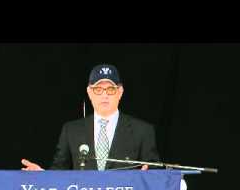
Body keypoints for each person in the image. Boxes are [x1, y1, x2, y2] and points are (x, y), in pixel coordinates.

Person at [21, 64, 160, 171]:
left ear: (120, 92)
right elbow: (59, 173)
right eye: (98, 89)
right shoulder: (71, 131)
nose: (104, 95)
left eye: (110, 89)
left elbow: (156, 174)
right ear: (89, 92)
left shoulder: (142, 131)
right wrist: (43, 177)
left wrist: (150, 176)